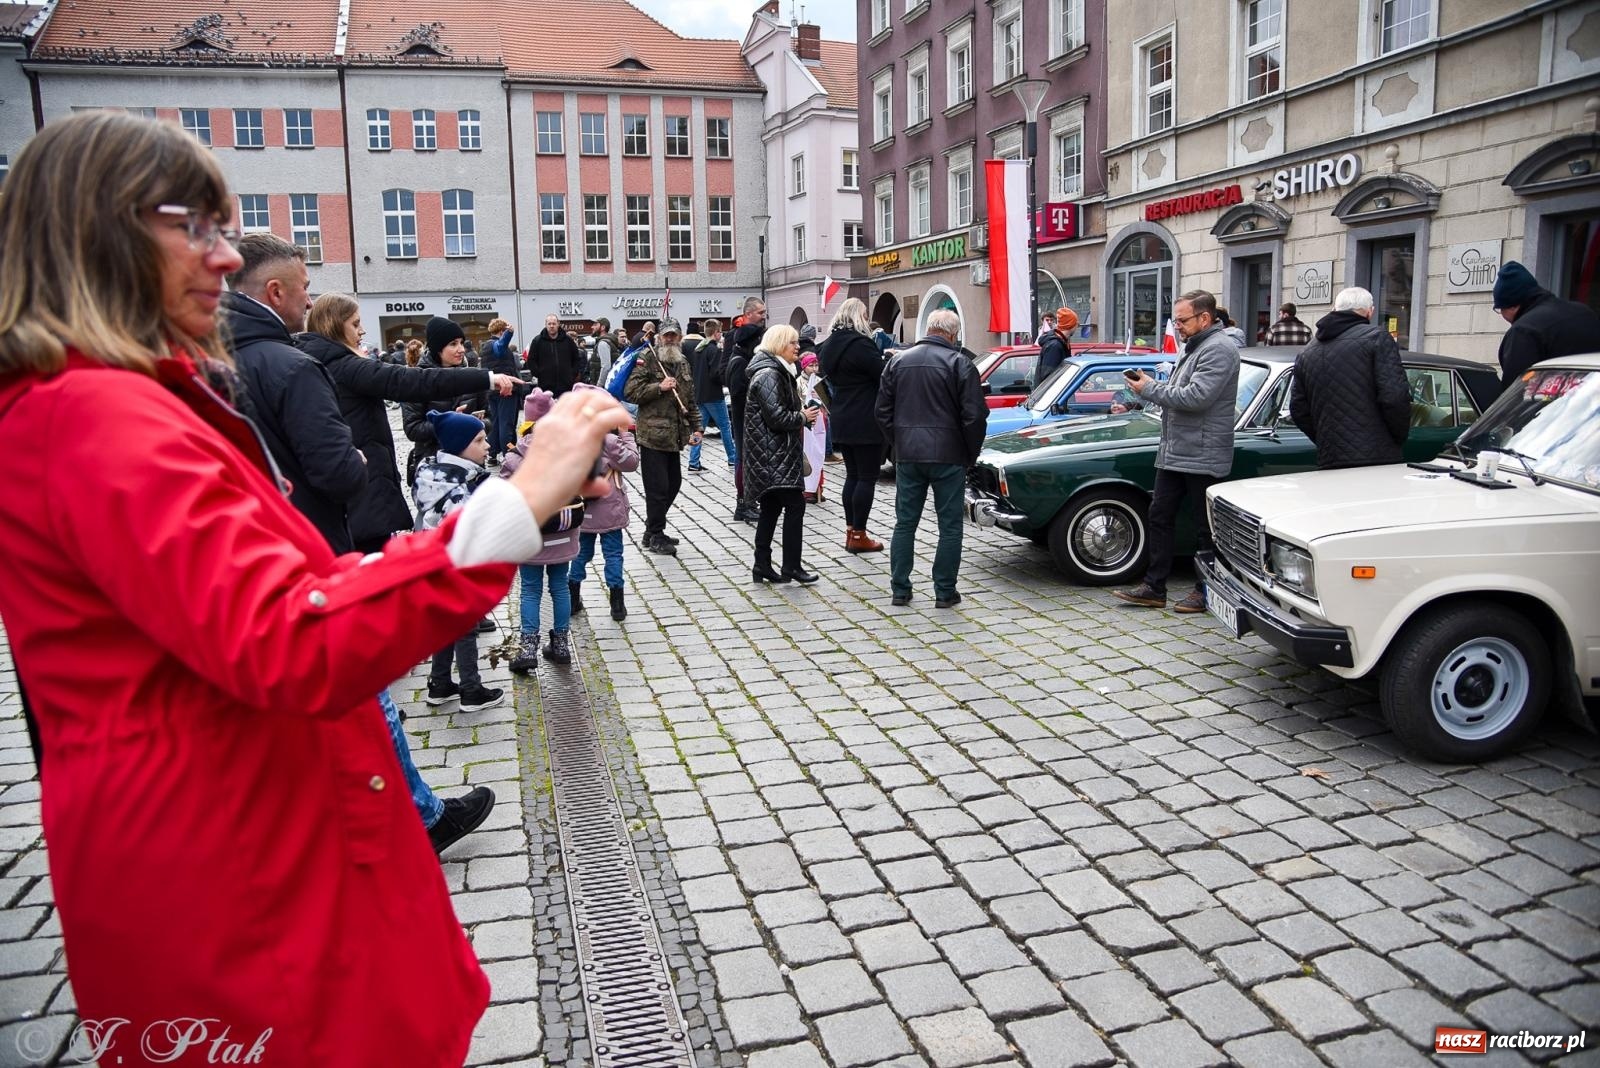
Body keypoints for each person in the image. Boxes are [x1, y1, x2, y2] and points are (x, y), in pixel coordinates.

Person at [0, 110, 631, 1066]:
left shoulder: (126, 398)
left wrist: (512, 506)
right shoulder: (92, 413)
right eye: (196, 226)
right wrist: (520, 495)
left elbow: (296, 586)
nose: (226, 260)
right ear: (101, 234)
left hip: (248, 837)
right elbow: (288, 635)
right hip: (233, 874)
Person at [298, 295, 516, 554]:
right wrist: (488, 379)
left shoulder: (320, 362)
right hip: (361, 499)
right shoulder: (344, 366)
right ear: (334, 325)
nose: (362, 331)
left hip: (356, 497)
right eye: (355, 324)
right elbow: (416, 382)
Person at [223, 234, 367, 554]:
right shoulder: (294, 369)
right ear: (276, 292)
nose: (309, 301)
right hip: (307, 544)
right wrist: (355, 460)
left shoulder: (208, 361)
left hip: (249, 548)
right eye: (305, 287)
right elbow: (339, 474)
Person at [1115, 290, 1240, 613]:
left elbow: (1197, 397)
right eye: (1176, 320)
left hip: (1203, 453)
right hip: (1177, 449)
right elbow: (1178, 392)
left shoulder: (1220, 349)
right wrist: (1146, 389)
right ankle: (1155, 587)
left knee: (1205, 527)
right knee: (1159, 515)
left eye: (1182, 320)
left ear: (1204, 318)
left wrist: (1150, 389)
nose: (1177, 326)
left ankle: (1207, 590)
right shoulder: (1194, 347)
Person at [876, 308, 987, 609]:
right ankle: (944, 591)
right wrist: (969, 453)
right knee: (950, 526)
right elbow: (974, 416)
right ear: (952, 335)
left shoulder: (898, 362)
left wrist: (899, 442)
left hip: (910, 455)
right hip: (949, 456)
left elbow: (882, 411)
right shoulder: (960, 363)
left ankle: (900, 589)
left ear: (928, 329)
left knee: (905, 523)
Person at [412, 411, 505, 711]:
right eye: (479, 440)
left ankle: (439, 684)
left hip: (435, 565)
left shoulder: (439, 477)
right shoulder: (458, 489)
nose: (487, 445)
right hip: (456, 565)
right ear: (459, 447)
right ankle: (471, 689)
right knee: (465, 625)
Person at [500, 390, 586, 670]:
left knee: (530, 590)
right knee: (560, 587)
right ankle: (560, 645)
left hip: (531, 536)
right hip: (563, 531)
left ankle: (528, 649)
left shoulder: (516, 457)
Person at [1289, 286, 1411, 469]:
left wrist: (1325, 438)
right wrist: (1397, 437)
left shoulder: (1307, 351)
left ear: (1335, 309)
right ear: (1370, 312)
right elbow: (1394, 396)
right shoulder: (1377, 338)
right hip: (1377, 455)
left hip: (1330, 456)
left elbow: (1298, 409)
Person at [745, 324, 819, 584]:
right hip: (772, 454)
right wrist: (802, 416)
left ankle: (762, 565)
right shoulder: (769, 373)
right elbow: (776, 417)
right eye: (792, 343)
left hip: (772, 453)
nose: (797, 347)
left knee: (771, 507)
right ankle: (791, 566)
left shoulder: (776, 370)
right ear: (778, 345)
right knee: (795, 505)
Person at [624, 317, 701, 554]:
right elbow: (631, 392)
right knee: (657, 489)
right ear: (659, 337)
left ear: (679, 337)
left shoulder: (684, 362)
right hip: (653, 435)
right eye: (666, 335)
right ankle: (656, 534)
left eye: (673, 335)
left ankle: (652, 529)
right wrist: (659, 388)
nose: (669, 339)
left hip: (675, 436)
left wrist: (697, 427)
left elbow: (689, 399)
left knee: (673, 484)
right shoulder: (647, 359)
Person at [819, 297, 887, 553]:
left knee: (853, 476)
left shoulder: (828, 346)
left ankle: (851, 531)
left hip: (842, 414)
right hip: (865, 416)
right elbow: (881, 374)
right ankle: (859, 535)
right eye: (866, 314)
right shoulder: (861, 344)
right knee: (867, 478)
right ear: (858, 316)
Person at [568, 382, 638, 622]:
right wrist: (625, 433)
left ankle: (572, 597)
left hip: (582, 508)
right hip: (609, 509)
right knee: (613, 554)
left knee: (580, 553)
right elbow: (631, 462)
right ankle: (617, 604)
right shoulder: (608, 441)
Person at [402, 316, 489, 489]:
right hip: (435, 471)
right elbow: (412, 428)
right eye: (453, 344)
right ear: (438, 349)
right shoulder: (416, 380)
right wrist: (448, 423)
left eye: (462, 343)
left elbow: (489, 419)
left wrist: (473, 423)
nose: (461, 349)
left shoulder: (472, 377)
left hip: (471, 467)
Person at [1492, 260, 1600, 390]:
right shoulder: (1585, 313)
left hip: (1558, 408)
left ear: (1512, 305)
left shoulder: (1524, 331)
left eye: (1500, 309)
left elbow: (1516, 392)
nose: (1502, 314)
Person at [726, 297, 767, 523]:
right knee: (744, 460)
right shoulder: (740, 362)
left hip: (749, 420)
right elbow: (740, 394)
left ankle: (750, 500)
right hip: (743, 419)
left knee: (750, 459)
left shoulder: (743, 358)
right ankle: (743, 503)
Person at [687, 317, 736, 473]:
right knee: (725, 427)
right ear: (716, 333)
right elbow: (716, 373)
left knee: (698, 429)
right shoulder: (714, 350)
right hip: (713, 395)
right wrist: (726, 378)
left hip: (699, 394)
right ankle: (733, 458)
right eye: (720, 332)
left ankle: (693, 462)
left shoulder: (699, 349)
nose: (721, 334)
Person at [479, 317, 520, 461]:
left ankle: (492, 453)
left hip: (491, 389)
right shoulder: (495, 345)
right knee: (506, 423)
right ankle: (509, 454)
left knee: (495, 423)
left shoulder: (484, 347)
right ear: (501, 331)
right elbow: (501, 347)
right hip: (505, 390)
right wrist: (509, 333)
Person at [523, 313, 584, 397]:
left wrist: (572, 374)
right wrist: (538, 373)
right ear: (546, 325)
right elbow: (531, 360)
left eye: (554, 324)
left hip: (566, 385)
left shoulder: (568, 340)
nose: (552, 326)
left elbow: (576, 358)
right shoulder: (538, 341)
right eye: (549, 324)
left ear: (558, 324)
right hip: (545, 386)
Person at [798, 351, 828, 503]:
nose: (814, 368)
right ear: (804, 367)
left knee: (819, 454)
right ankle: (807, 489)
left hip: (820, 422)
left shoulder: (819, 382)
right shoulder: (799, 382)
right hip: (806, 424)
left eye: (816, 365)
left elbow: (827, 402)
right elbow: (798, 402)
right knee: (808, 454)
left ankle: (818, 486)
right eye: (811, 365)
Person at [1038, 307, 1077, 380]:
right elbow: (1049, 377)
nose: (1077, 326)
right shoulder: (1055, 346)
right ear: (1070, 325)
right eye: (1076, 323)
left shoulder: (1060, 343)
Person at [588, 317, 614, 386]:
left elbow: (606, 367)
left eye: (595, 324)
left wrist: (599, 386)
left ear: (602, 327)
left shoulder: (603, 343)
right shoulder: (607, 341)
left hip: (602, 388)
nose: (592, 327)